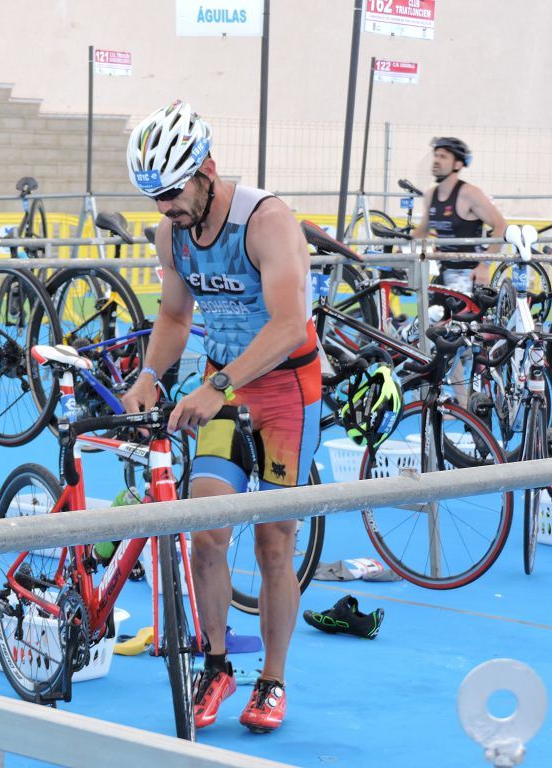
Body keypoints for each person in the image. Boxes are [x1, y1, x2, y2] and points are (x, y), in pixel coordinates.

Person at [121, 100, 321, 734]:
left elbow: (290, 325)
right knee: (206, 533)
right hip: (225, 389)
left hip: (286, 387)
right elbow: (177, 318)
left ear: (207, 169)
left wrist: (218, 383)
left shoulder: (266, 219)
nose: (165, 209)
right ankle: (215, 663)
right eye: (154, 198)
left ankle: (273, 678)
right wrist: (151, 375)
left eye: (174, 193)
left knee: (272, 542)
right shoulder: (172, 233)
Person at [411, 136, 507, 292]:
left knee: (451, 315)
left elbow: (501, 226)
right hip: (445, 270)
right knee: (429, 315)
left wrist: (484, 266)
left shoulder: (470, 193)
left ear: (458, 164)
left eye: (443, 157)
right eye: (436, 155)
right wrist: (400, 252)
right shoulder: (430, 195)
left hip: (469, 274)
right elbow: (423, 230)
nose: (436, 160)